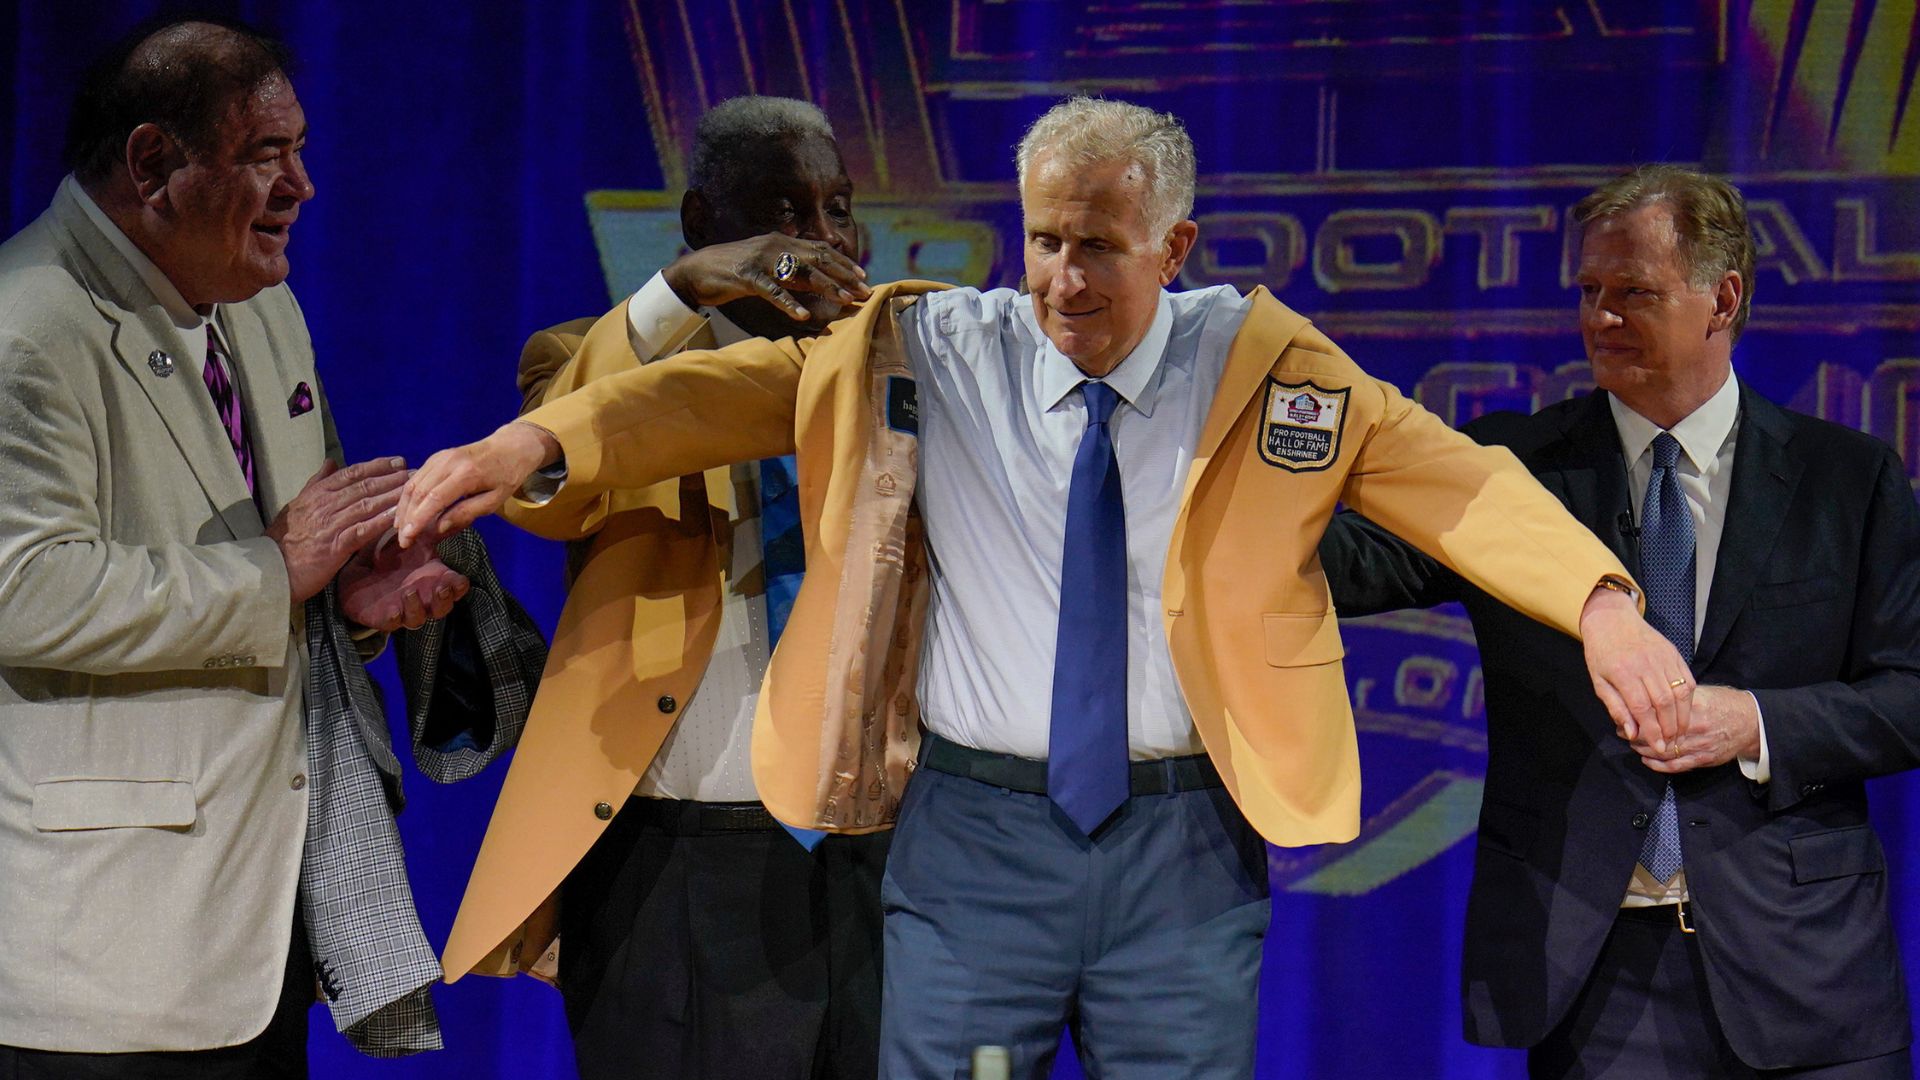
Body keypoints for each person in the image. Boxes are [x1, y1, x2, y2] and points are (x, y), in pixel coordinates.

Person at [394, 97, 1691, 1077]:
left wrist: (1602, 607)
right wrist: (532, 443)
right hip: (928, 846)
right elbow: (716, 395)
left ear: (1175, 246)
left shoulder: (1259, 364)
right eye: (1046, 241)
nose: (1066, 279)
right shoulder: (932, 347)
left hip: (1147, 845)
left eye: (1101, 247)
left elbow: (1456, 484)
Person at [0, 17, 544, 1075]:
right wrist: (275, 574)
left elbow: (297, 561)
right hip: (107, 957)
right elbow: (25, 589)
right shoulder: (28, 328)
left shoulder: (263, 308)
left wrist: (350, 593)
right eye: (265, 155)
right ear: (153, 164)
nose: (302, 185)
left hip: (259, 934)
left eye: (300, 151)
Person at [1320, 165, 1920, 1078]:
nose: (1600, 317)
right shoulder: (1511, 472)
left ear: (1723, 300)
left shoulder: (1849, 480)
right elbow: (1349, 567)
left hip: (1806, 970)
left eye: (1634, 292)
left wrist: (1754, 723)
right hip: (1595, 976)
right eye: (1588, 291)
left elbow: (1909, 695)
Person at [439, 96, 884, 1080]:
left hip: (872, 857)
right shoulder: (582, 359)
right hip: (676, 868)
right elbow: (553, 487)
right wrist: (677, 292)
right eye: (783, 212)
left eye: (838, 208)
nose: (818, 239)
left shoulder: (893, 373)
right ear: (701, 224)